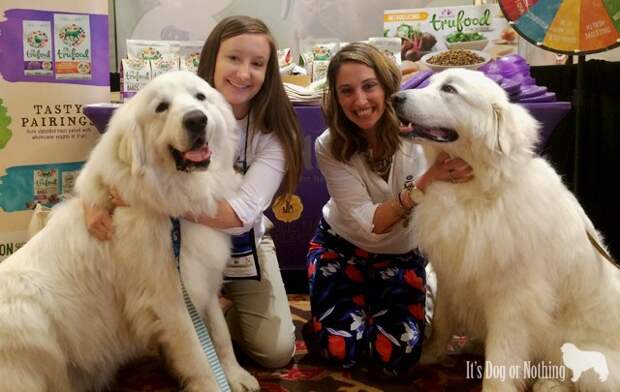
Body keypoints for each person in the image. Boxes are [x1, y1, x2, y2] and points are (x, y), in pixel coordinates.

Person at [84, 15, 303, 369]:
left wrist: (154, 202)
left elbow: (239, 217)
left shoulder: (275, 134)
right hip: (175, 237)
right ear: (212, 58)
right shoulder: (166, 99)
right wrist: (92, 202)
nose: (244, 73)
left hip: (242, 243)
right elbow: (107, 159)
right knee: (160, 309)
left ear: (269, 72)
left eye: (257, 63)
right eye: (234, 58)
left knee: (274, 351)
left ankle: (221, 315)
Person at [305, 42, 473, 377]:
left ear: (386, 86)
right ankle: (352, 306)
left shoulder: (422, 129)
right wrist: (423, 185)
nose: (360, 101)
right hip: (341, 248)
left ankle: (419, 289)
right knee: (339, 351)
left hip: (400, 254)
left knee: (396, 358)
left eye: (369, 86)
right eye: (346, 91)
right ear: (336, 98)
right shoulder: (328, 144)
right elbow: (371, 224)